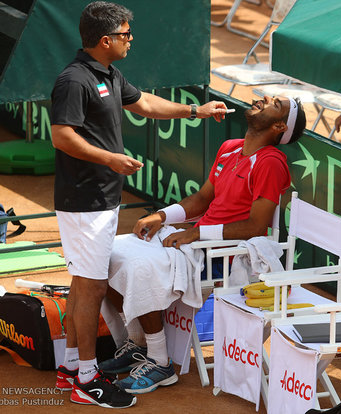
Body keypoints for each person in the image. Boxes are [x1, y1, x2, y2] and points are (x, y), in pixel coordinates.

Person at [50, 1, 228, 408]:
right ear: (105, 39)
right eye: (126, 35)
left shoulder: (108, 73)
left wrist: (195, 111)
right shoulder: (74, 81)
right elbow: (62, 136)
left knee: (84, 281)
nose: (132, 40)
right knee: (92, 286)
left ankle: (72, 366)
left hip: (99, 199)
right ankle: (87, 378)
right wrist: (109, 158)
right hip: (84, 201)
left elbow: (144, 104)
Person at [98, 95, 306, 395]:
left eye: (275, 103)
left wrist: (196, 235)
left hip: (224, 256)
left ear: (278, 126)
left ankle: (160, 363)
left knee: (139, 267)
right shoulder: (230, 148)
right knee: (107, 254)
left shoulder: (272, 163)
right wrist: (161, 215)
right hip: (197, 244)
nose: (263, 98)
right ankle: (138, 344)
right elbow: (202, 200)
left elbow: (255, 227)